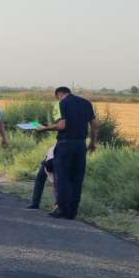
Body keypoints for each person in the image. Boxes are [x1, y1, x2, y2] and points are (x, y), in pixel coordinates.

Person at [40, 86, 98, 220]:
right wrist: (93, 142)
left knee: (62, 177)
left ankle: (62, 209)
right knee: (77, 178)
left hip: (65, 144)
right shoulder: (86, 103)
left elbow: (61, 126)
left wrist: (44, 128)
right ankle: (72, 211)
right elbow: (95, 124)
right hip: (80, 145)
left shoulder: (59, 104)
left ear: (58, 95)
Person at [27, 145, 56, 210]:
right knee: (40, 178)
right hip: (51, 157)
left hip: (58, 158)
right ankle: (35, 203)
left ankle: (58, 205)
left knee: (58, 184)